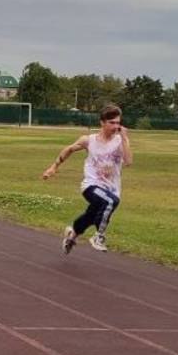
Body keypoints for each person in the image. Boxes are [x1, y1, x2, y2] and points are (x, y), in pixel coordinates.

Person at [41, 103, 132, 253]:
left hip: (111, 187)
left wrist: (125, 139)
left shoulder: (119, 141)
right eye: (112, 122)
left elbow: (128, 162)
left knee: (91, 216)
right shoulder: (89, 140)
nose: (116, 126)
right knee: (111, 201)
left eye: (118, 122)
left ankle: (72, 234)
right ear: (102, 122)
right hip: (91, 185)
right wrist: (54, 167)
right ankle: (99, 236)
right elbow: (70, 149)